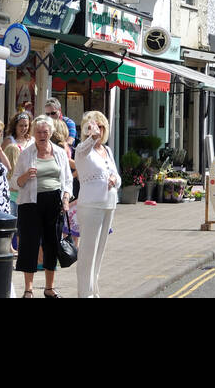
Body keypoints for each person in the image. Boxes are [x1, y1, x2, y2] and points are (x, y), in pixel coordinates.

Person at [13, 115, 74, 297]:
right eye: (38, 132)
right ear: (34, 133)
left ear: (51, 132)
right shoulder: (26, 154)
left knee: (52, 244)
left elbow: (68, 180)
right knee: (29, 245)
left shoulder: (59, 152)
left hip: (54, 203)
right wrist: (25, 176)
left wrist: (66, 198)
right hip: (30, 204)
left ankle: (49, 288)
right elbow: (14, 182)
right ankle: (28, 289)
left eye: (45, 132)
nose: (42, 135)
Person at [75, 110, 120, 298]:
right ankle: (84, 293)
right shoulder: (83, 150)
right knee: (88, 252)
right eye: (94, 127)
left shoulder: (107, 150)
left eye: (101, 127)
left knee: (99, 252)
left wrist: (114, 179)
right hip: (91, 205)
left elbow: (117, 176)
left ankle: (93, 291)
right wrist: (91, 136)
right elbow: (83, 149)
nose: (98, 130)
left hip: (109, 203)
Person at [4, 112, 33, 207]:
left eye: (26, 125)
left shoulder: (32, 140)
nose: (23, 128)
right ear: (15, 126)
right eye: (21, 125)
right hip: (12, 185)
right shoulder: (9, 141)